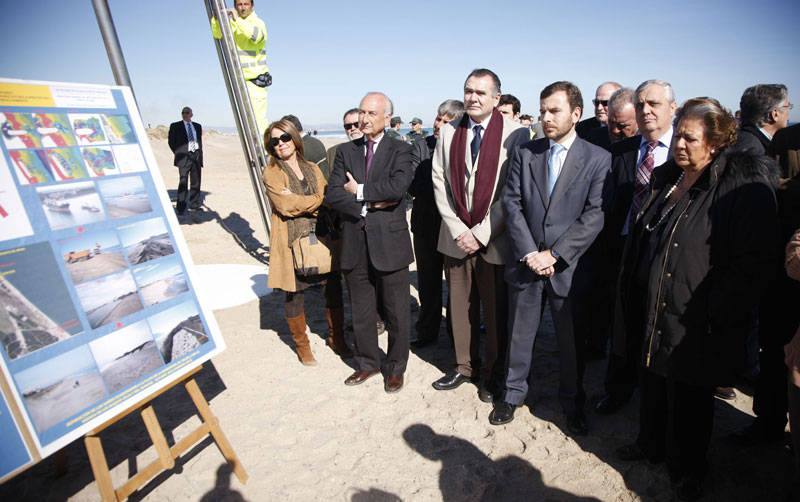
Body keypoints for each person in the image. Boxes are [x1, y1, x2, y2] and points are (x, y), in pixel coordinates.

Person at [614, 98, 779, 500]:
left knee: (689, 398)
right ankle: (649, 445)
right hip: (655, 303)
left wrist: (714, 311)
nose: (680, 145)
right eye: (679, 137)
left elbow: (753, 262)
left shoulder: (740, 189)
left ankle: (688, 470)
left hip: (697, 315)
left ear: (718, 142)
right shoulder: (669, 176)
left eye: (691, 138)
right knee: (652, 380)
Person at [491, 81, 610, 436]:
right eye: (542, 110)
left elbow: (595, 214)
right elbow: (511, 204)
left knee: (571, 341)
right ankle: (512, 394)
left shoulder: (598, 158)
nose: (545, 117)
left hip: (566, 267)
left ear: (576, 114)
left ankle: (572, 401)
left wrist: (555, 255)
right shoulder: (527, 153)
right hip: (526, 262)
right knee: (519, 334)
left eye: (554, 111)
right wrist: (530, 252)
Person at [430, 69, 526, 402]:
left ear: (496, 98)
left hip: (495, 241)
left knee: (496, 312)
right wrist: (459, 230)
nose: (472, 97)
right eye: (468, 91)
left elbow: (512, 192)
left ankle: (493, 372)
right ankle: (463, 366)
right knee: (459, 307)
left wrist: (482, 233)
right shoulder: (448, 134)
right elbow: (439, 183)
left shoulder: (516, 135)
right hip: (455, 239)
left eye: (481, 93)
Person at [595, 79, 678, 415]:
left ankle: (658, 396)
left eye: (654, 104)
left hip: (669, 255)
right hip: (623, 249)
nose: (647, 111)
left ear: (673, 107)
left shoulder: (686, 154)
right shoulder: (618, 153)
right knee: (623, 323)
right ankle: (618, 390)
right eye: (641, 105)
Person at [324, 92, 414, 393]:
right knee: (361, 309)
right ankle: (368, 363)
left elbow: (397, 187)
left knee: (396, 310)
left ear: (387, 118)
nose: (364, 119)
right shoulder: (346, 152)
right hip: (354, 242)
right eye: (362, 112)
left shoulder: (400, 149)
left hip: (390, 244)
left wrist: (359, 190)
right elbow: (333, 194)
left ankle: (395, 367)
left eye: (371, 113)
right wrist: (366, 205)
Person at [261, 119, 351, 366]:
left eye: (285, 138)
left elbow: (327, 196)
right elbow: (286, 206)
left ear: (294, 138)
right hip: (290, 240)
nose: (281, 144)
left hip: (323, 235)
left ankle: (338, 339)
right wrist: (316, 201)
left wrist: (306, 200)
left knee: (333, 289)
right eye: (274, 141)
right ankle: (303, 347)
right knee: (294, 295)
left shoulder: (312, 166)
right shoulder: (272, 172)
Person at [409, 99, 464, 348]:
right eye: (438, 118)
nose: (439, 124)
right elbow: (413, 185)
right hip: (425, 225)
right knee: (428, 284)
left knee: (457, 288)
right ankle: (427, 331)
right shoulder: (421, 146)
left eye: (446, 120)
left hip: (456, 228)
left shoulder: (465, 147)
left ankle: (458, 334)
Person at [211, 0, 269, 136]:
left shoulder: (258, 23)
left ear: (252, 6)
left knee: (258, 122)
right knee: (248, 122)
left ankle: (266, 153)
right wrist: (216, 19)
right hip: (239, 80)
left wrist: (237, 20)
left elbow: (255, 37)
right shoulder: (233, 24)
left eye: (246, 4)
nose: (242, 8)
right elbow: (217, 34)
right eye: (239, 4)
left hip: (255, 82)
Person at [735, 84, 790, 155]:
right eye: (787, 107)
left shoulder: (741, 139)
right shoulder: (754, 151)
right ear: (775, 114)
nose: (788, 111)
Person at [168, 107, 203, 215]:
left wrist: (198, 154)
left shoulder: (197, 126)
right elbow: (171, 142)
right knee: (183, 182)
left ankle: (194, 205)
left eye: (187, 112)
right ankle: (181, 207)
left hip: (196, 156)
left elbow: (199, 141)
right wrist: (179, 152)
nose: (185, 114)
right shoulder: (175, 125)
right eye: (183, 112)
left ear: (191, 114)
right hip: (184, 157)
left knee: (196, 182)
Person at [326, 108, 364, 180]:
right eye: (348, 126)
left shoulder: (376, 149)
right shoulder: (333, 152)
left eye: (357, 124)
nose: (352, 128)